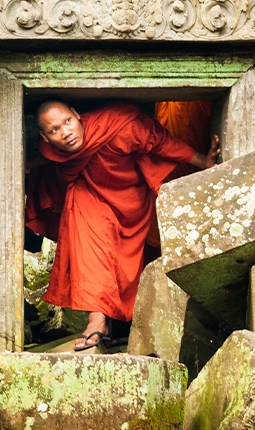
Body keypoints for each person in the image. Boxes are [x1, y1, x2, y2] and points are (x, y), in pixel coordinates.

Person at [25, 101, 220, 350]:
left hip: (129, 195)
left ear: (77, 114)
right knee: (90, 250)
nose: (65, 132)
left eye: (67, 121)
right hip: (90, 194)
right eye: (54, 131)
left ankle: (128, 324)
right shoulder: (50, 150)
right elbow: (40, 164)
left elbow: (160, 141)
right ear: (45, 137)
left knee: (128, 261)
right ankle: (97, 320)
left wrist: (202, 160)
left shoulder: (118, 124)